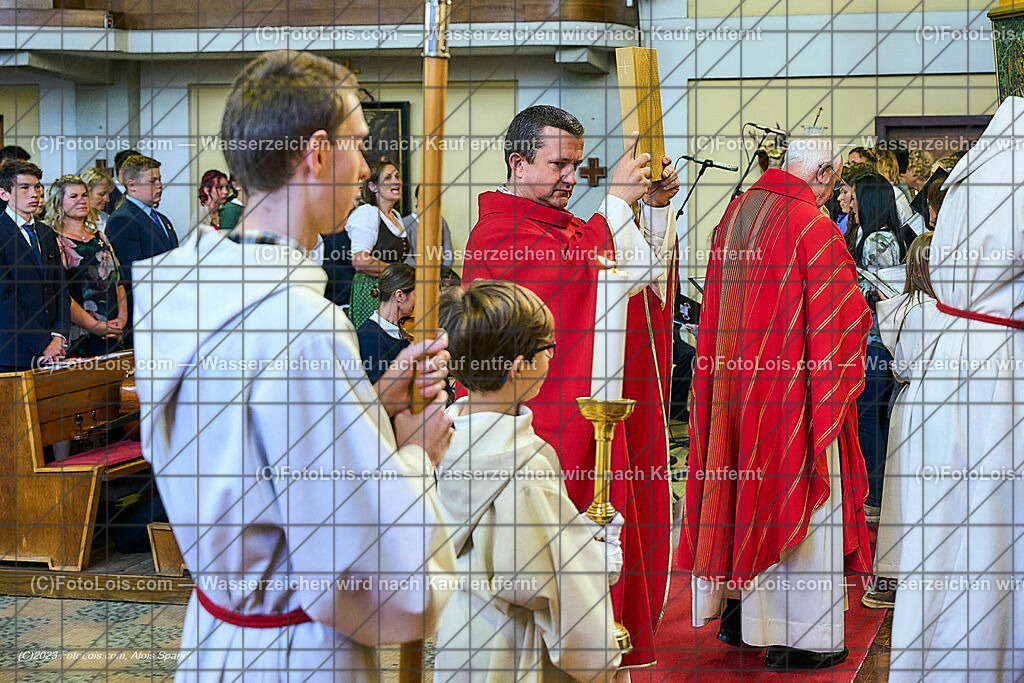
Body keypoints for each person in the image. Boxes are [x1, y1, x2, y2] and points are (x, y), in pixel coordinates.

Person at [132, 50, 457, 681]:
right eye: (358, 145)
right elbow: (373, 584)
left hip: (218, 637)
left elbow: (256, 460)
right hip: (295, 654)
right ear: (316, 151)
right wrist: (416, 455)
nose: (365, 169)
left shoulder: (187, 294)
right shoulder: (302, 327)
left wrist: (372, 404)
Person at [461, 104, 679, 668]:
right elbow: (571, 279)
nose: (570, 177)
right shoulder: (498, 233)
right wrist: (616, 203)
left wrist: (650, 211)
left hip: (579, 421)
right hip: (534, 432)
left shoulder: (561, 228)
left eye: (576, 167)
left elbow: (631, 281)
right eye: (559, 164)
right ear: (517, 162)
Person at [680, 136, 873, 672]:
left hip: (733, 393)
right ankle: (804, 637)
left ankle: (740, 615)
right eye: (831, 184)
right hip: (792, 397)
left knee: (740, 492)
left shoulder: (736, 212)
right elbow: (846, 314)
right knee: (801, 498)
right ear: (825, 173)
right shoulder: (812, 226)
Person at [889, 96, 1024, 682]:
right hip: (999, 371)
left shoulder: (976, 164)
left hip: (950, 364)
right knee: (993, 531)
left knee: (944, 537)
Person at [434, 280, 622, 681]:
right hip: (513, 650)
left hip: (462, 634)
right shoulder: (525, 464)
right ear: (519, 365)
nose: (552, 357)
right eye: (546, 348)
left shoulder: (441, 440)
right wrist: (593, 559)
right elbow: (532, 585)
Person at [862, 231, 937, 610]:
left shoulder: (907, 309)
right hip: (940, 403)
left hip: (911, 405)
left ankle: (894, 572)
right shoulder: (945, 309)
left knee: (901, 492)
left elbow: (903, 366)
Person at [850, 172, 911, 520]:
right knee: (875, 417)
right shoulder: (883, 237)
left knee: (869, 417)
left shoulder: (877, 241)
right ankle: (879, 493)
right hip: (879, 340)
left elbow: (878, 295)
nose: (852, 204)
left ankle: (874, 496)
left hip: (875, 341)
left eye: (856, 197)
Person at [43, 175, 127, 357]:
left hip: (113, 330)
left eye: (84, 195)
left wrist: (122, 319)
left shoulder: (100, 237)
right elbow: (61, 293)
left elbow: (118, 280)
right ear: (59, 203)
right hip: (80, 334)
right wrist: (94, 325)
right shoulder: (54, 241)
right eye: (74, 197)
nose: (82, 201)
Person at [0, 160, 70, 371]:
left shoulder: (46, 232)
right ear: (4, 194)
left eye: (37, 186)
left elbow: (61, 289)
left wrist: (58, 336)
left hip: (54, 349)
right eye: (25, 188)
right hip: (15, 352)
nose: (34, 194)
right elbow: (4, 300)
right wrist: (43, 344)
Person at [105, 153, 177, 331]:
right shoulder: (122, 220)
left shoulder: (162, 219)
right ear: (132, 185)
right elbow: (133, 274)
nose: (160, 186)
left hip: (169, 307)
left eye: (160, 180)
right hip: (145, 312)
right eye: (153, 181)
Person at [347, 162, 409, 327]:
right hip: (371, 292)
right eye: (388, 178)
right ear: (373, 187)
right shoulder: (368, 212)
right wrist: (399, 274)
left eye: (397, 176)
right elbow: (360, 261)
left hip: (393, 291)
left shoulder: (395, 216)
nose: (396, 181)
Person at [356, 262, 414, 384]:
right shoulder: (369, 337)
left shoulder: (400, 331)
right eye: (417, 295)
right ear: (400, 296)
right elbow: (384, 389)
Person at [403, 183, 455, 274]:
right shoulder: (406, 223)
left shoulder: (441, 221)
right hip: (415, 274)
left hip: (439, 274)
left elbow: (449, 252)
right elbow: (407, 257)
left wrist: (443, 272)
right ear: (415, 199)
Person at [104, 148, 139, 214]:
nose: (139, 176)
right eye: (136, 171)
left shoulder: (138, 194)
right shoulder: (108, 197)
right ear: (122, 172)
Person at [81, 167, 114, 232]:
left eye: (108, 194)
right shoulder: (73, 223)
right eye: (102, 194)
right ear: (86, 192)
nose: (107, 200)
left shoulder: (108, 219)